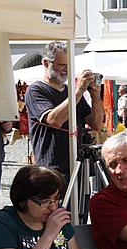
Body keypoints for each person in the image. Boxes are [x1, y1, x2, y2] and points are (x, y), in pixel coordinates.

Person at [24, 41, 104, 183]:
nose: (66, 70)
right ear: (46, 63)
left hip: (77, 164)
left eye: (68, 66)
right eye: (62, 65)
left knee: (82, 205)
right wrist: (78, 91)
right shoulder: (36, 90)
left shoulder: (70, 92)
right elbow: (54, 120)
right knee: (58, 205)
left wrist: (95, 96)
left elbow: (96, 124)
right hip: (51, 168)